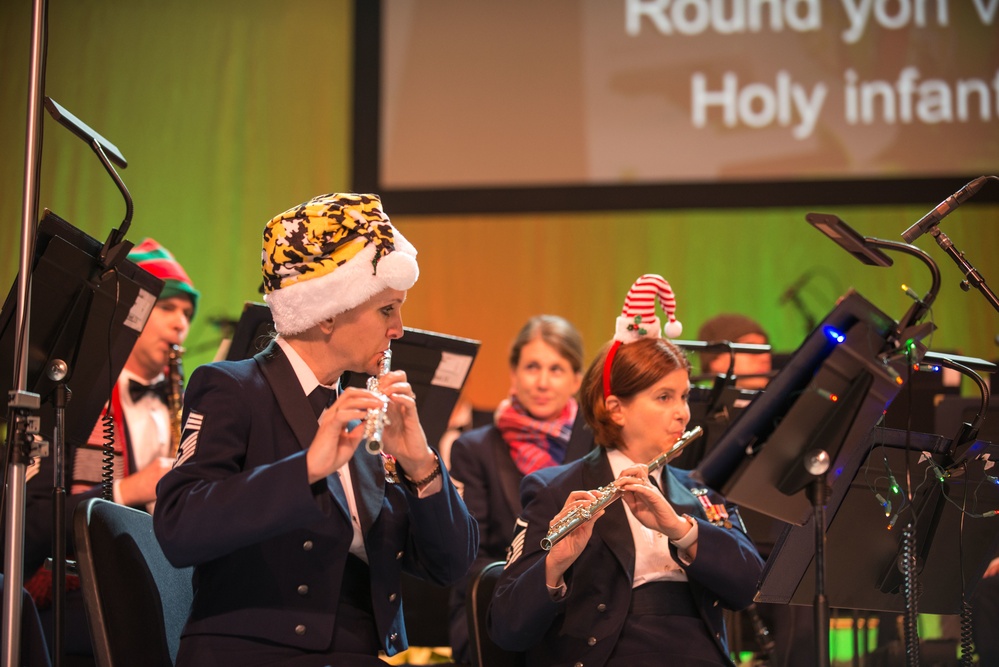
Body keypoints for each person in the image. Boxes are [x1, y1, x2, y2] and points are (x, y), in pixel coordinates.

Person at [153, 192, 478, 666]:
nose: (400, 329)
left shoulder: (364, 412)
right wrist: (306, 467)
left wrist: (420, 462)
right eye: (387, 309)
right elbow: (179, 527)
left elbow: (450, 566)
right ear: (327, 311)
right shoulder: (232, 387)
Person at [489, 274, 764, 667]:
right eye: (664, 397)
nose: (682, 412)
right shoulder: (554, 489)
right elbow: (507, 626)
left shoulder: (702, 493)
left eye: (684, 396)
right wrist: (555, 563)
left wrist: (682, 531)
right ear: (616, 408)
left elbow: (752, 588)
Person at [20, 238, 198, 663]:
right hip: (78, 609)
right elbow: (34, 521)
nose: (181, 325)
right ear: (127, 313)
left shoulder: (186, 408)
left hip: (158, 600)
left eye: (188, 313)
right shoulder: (69, 403)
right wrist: (126, 491)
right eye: (168, 307)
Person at [447, 314, 595, 663]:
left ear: (576, 379)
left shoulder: (595, 448)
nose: (542, 382)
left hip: (583, 606)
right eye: (532, 367)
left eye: (556, 369)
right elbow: (470, 557)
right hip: (500, 606)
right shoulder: (474, 449)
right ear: (514, 373)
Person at [697, 313, 773, 391]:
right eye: (751, 348)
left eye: (765, 349)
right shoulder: (693, 400)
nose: (765, 357)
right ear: (715, 360)